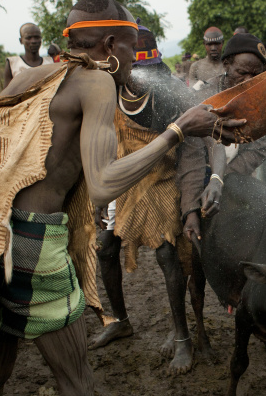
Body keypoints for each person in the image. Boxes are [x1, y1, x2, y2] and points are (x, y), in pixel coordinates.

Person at [0, 0, 243, 396]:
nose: (134, 61)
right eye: (131, 48)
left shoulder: (27, 75)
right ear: (111, 43)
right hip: (34, 242)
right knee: (76, 383)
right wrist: (179, 131)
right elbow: (104, 182)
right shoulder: (96, 82)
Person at [88, 24, 213, 374]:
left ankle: (182, 337)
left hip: (162, 181)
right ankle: (119, 321)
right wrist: (100, 195)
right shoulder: (110, 89)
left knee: (166, 252)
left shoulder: (171, 93)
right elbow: (106, 146)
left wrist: (190, 208)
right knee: (105, 246)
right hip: (126, 181)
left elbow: (191, 154)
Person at [179, 32, 266, 250]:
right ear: (226, 64)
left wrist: (221, 180)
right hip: (195, 180)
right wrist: (191, 209)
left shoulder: (263, 99)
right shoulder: (201, 97)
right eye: (241, 72)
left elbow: (257, 150)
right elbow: (190, 156)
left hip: (236, 180)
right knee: (191, 252)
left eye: (255, 74)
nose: (247, 81)